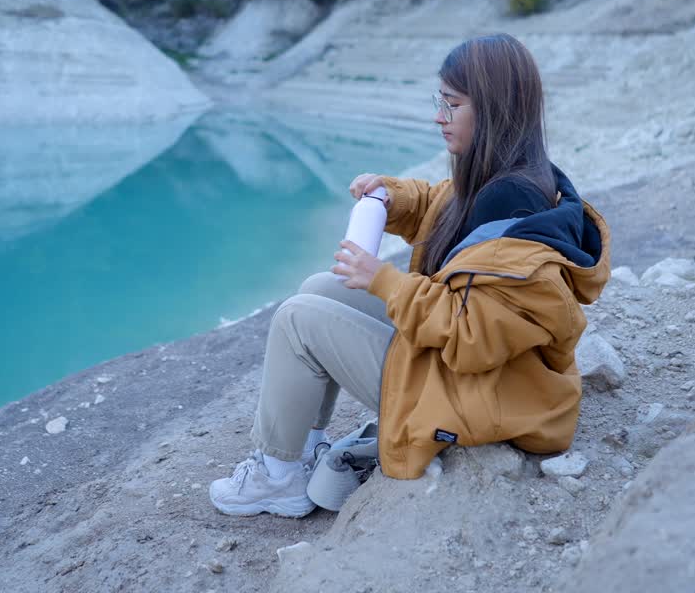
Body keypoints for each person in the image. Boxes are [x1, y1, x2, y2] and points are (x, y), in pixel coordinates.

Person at [209, 34, 611, 517]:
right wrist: (391, 196)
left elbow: (472, 335)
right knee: (319, 289)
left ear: (496, 109)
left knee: (298, 319)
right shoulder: (506, 176)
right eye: (438, 100)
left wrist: (383, 280)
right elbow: (441, 204)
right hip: (477, 375)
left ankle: (276, 478)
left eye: (453, 104)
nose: (438, 116)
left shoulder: (511, 200)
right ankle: (304, 447)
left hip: (485, 392)